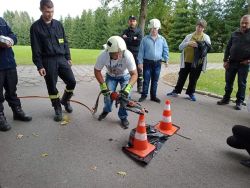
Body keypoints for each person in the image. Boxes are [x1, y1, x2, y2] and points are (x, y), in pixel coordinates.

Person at [30, 0, 76, 121]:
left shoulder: (58, 24)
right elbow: (35, 49)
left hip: (61, 59)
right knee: (52, 86)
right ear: (41, 10)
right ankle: (57, 108)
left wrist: (68, 57)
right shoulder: (35, 27)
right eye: (47, 12)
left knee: (72, 82)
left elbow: (65, 42)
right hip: (48, 60)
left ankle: (65, 100)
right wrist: (39, 66)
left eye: (52, 11)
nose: (50, 14)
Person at [94, 36, 138, 129]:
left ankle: (123, 117)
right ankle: (106, 110)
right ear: (109, 52)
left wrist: (128, 88)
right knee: (107, 96)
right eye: (115, 54)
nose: (118, 56)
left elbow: (134, 74)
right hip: (111, 76)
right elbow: (97, 71)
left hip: (125, 76)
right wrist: (103, 86)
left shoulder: (128, 55)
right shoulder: (103, 55)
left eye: (120, 53)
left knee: (125, 97)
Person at [0, 17, 32, 132]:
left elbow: (12, 35)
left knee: (12, 90)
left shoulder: (2, 20)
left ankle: (17, 111)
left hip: (9, 63)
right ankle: (0, 117)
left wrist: (11, 40)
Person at [167, 19, 211, 101]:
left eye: (201, 27)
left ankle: (191, 93)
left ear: (204, 28)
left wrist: (198, 46)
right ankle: (176, 91)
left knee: (193, 78)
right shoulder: (189, 36)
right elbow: (180, 47)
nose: (199, 28)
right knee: (181, 77)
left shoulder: (206, 37)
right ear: (196, 26)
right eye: (198, 26)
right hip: (186, 60)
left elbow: (207, 49)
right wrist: (188, 43)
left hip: (198, 62)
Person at [217, 15, 250, 110]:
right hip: (231, 62)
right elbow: (228, 47)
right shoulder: (234, 33)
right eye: (242, 23)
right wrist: (225, 60)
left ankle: (239, 102)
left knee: (241, 83)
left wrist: (248, 60)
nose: (243, 25)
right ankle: (226, 98)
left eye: (246, 23)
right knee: (228, 82)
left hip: (244, 64)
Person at [138, 18, 169, 103]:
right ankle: (144, 95)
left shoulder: (162, 39)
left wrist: (166, 59)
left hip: (157, 63)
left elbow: (165, 49)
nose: (154, 30)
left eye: (155, 28)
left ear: (158, 28)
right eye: (152, 28)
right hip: (147, 62)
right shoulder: (145, 39)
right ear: (150, 28)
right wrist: (140, 62)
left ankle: (153, 96)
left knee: (155, 80)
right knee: (146, 80)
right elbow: (141, 51)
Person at [122, 15, 143, 93]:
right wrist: (133, 38)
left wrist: (128, 38)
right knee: (126, 71)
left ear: (136, 22)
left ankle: (139, 87)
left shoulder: (139, 31)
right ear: (129, 22)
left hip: (136, 54)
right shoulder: (125, 31)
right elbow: (123, 41)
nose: (132, 22)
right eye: (131, 21)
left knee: (139, 70)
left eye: (133, 21)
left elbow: (138, 42)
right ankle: (125, 86)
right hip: (127, 54)